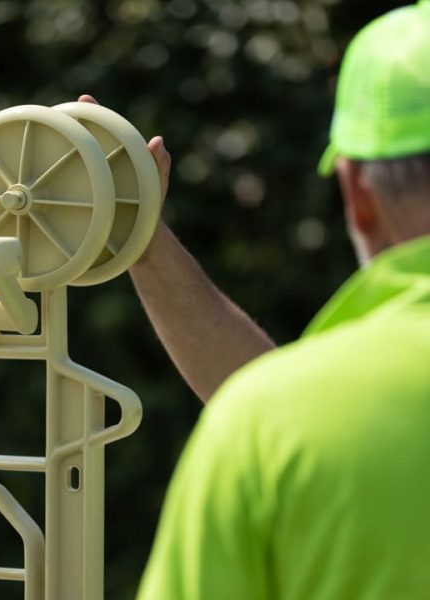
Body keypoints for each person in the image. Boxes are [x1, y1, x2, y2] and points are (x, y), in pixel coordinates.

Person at [100, 1, 430, 598]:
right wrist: (143, 240)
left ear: (358, 191)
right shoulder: (278, 415)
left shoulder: (270, 428)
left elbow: (291, 419)